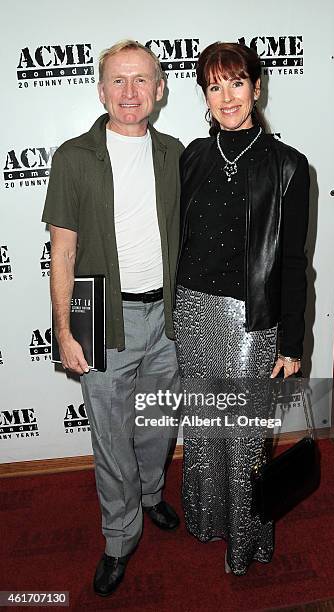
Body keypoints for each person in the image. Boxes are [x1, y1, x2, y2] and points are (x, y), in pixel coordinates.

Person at [42, 39, 184, 596]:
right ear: (101, 91)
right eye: (118, 81)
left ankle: (151, 494)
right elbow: (64, 250)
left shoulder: (177, 154)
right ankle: (119, 538)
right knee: (110, 436)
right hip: (101, 313)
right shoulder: (74, 157)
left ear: (159, 89)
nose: (130, 92)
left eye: (142, 79)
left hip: (170, 314)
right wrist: (64, 327)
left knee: (156, 423)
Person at [173, 42, 310, 575]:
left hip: (251, 320)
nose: (226, 96)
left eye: (236, 82)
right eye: (214, 85)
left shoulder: (289, 166)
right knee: (205, 427)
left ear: (257, 87)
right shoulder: (193, 157)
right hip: (191, 310)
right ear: (205, 96)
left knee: (246, 433)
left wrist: (293, 342)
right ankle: (207, 521)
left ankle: (247, 542)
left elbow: (295, 263)